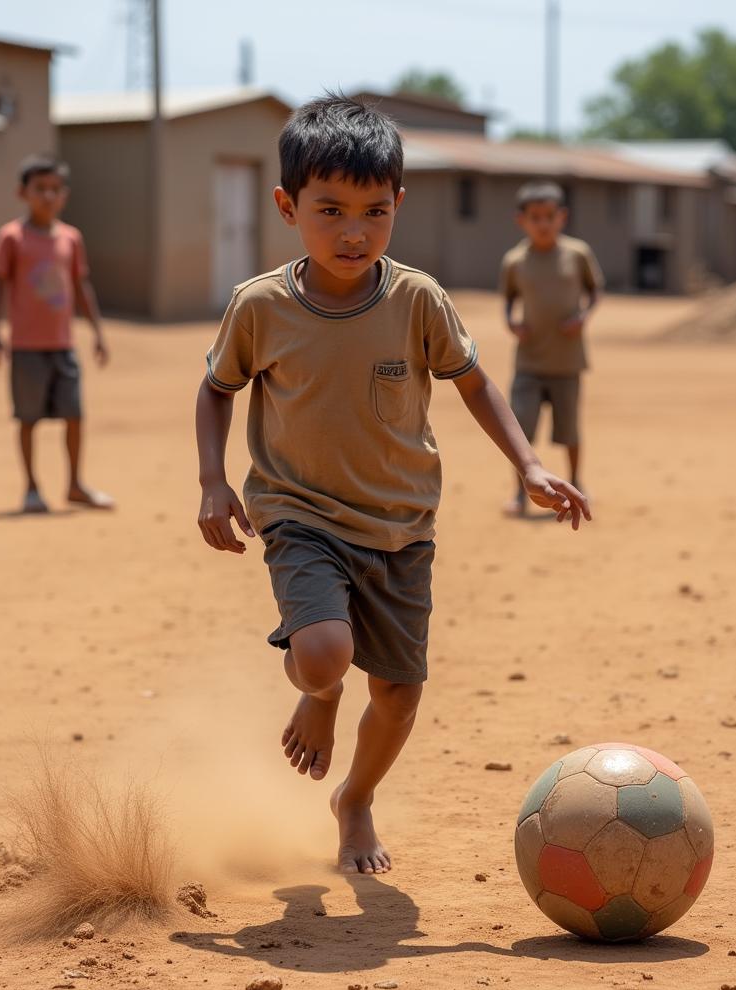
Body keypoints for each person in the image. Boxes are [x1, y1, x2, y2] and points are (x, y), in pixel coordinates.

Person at [195, 96, 590, 875]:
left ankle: (355, 799)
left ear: (398, 206)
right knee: (322, 655)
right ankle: (319, 693)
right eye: (330, 210)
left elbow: (475, 385)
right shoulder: (261, 306)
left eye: (376, 212)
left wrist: (530, 464)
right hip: (300, 512)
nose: (354, 231)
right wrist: (213, 481)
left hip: (404, 526)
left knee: (400, 697)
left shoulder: (417, 299)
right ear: (287, 207)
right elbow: (216, 390)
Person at [0, 154, 113, 514]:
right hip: (26, 346)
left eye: (55, 189)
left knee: (75, 414)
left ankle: (75, 484)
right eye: (39, 188)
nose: (47, 196)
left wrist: (98, 332)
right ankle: (31, 488)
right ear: (22, 193)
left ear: (65, 195)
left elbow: (81, 286)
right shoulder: (11, 236)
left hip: (63, 345)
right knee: (27, 418)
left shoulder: (71, 238)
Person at [499, 181, 604, 515]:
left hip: (567, 362)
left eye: (549, 216)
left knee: (570, 430)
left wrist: (583, 317)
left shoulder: (578, 254)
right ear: (521, 220)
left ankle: (576, 481)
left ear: (562, 217)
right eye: (535, 217)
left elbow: (595, 291)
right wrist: (512, 323)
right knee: (521, 429)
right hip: (529, 362)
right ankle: (520, 494)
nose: (542, 223)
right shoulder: (515, 260)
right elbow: (508, 300)